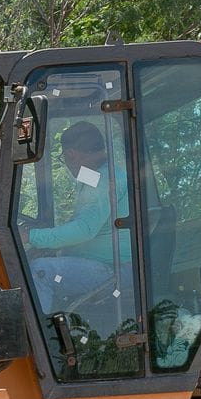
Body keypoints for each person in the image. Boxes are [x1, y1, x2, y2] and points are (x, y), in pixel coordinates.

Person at [25, 121, 132, 314]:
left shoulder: (104, 181)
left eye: (63, 158)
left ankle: (32, 341)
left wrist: (31, 237)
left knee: (41, 272)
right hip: (110, 266)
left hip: (113, 270)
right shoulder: (104, 176)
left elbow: (84, 230)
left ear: (70, 154)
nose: (66, 164)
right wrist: (54, 249)